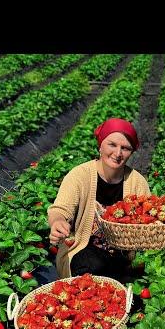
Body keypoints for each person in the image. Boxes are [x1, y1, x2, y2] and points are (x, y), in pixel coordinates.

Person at [48, 118, 150, 281]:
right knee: (93, 265)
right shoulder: (80, 175)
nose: (118, 153)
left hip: (121, 257)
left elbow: (149, 221)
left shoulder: (137, 182)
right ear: (100, 144)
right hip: (83, 251)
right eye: (112, 145)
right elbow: (60, 210)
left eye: (125, 148)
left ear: (131, 152)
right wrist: (57, 223)